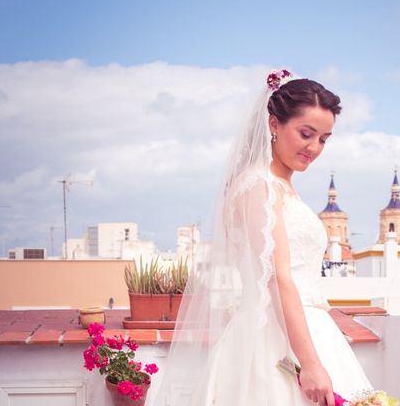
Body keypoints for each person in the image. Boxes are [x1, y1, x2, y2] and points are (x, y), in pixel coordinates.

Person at [158, 70, 372, 405]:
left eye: (324, 139)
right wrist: (311, 364)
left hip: (307, 329)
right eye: (306, 133)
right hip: (276, 340)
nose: (314, 148)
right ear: (273, 124)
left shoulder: (281, 187)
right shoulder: (258, 185)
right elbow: (277, 277)